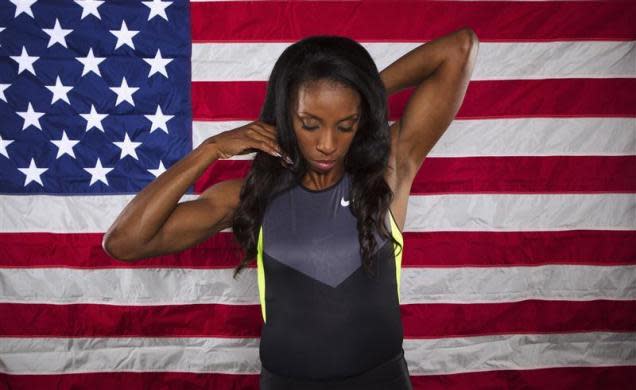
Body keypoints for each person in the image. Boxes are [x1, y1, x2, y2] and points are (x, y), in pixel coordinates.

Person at [103, 30, 478, 389]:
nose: (328, 144)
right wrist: (211, 149)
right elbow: (124, 242)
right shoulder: (251, 196)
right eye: (311, 125)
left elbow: (460, 48)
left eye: (345, 125)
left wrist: (365, 95)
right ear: (285, 116)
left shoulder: (388, 173)